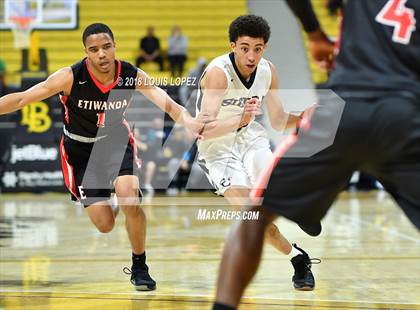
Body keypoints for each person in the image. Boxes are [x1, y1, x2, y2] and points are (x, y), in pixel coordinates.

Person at [212, 1, 420, 309]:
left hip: (342, 109)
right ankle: (308, 205)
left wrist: (314, 32)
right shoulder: (220, 71)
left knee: (253, 217)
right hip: (404, 113)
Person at [0, 23, 208, 292]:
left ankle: (139, 265)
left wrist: (189, 122)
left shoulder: (131, 74)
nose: (101, 54)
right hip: (80, 151)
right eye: (94, 49)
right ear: (86, 52)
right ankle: (114, 200)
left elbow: (165, 101)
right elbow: (22, 99)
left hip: (114, 142)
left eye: (106, 47)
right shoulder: (70, 77)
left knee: (130, 196)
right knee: (105, 225)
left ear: (115, 46)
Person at [196, 15, 318, 293]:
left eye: (258, 48)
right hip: (218, 148)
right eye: (245, 47)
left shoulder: (268, 71)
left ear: (265, 48)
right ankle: (299, 258)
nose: (251, 56)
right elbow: (202, 129)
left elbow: (277, 121)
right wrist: (238, 120)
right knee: (252, 218)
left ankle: (300, 208)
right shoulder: (218, 73)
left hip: (251, 140)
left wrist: (303, 118)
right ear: (233, 46)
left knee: (276, 186)